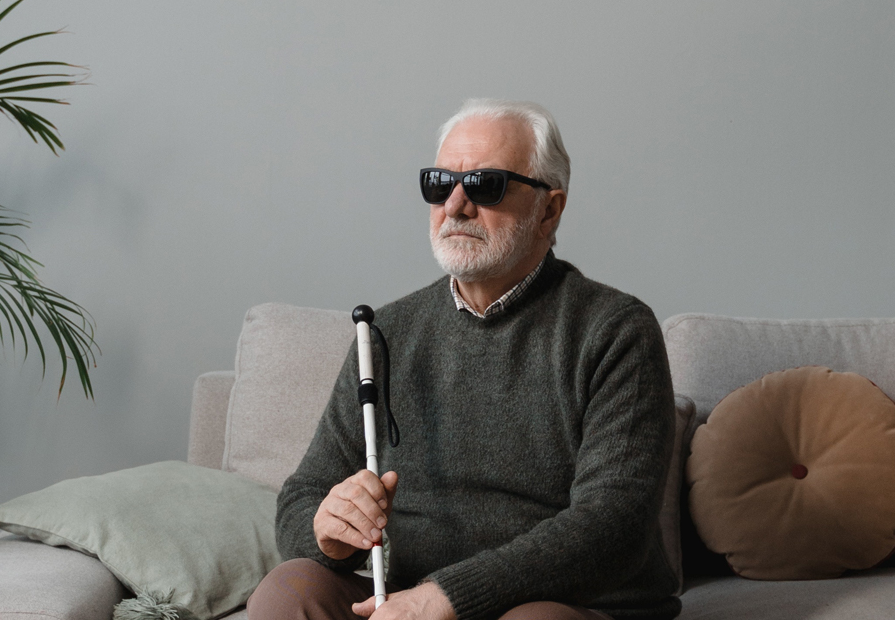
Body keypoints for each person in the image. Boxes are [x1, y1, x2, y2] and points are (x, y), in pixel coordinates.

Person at [247, 99, 678, 620]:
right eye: (438, 184)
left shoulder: (614, 329)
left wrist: (448, 597)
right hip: (403, 600)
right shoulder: (385, 333)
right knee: (286, 591)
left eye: (484, 185)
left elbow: (614, 525)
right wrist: (329, 531)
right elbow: (302, 496)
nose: (455, 205)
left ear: (550, 209)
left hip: (558, 603)